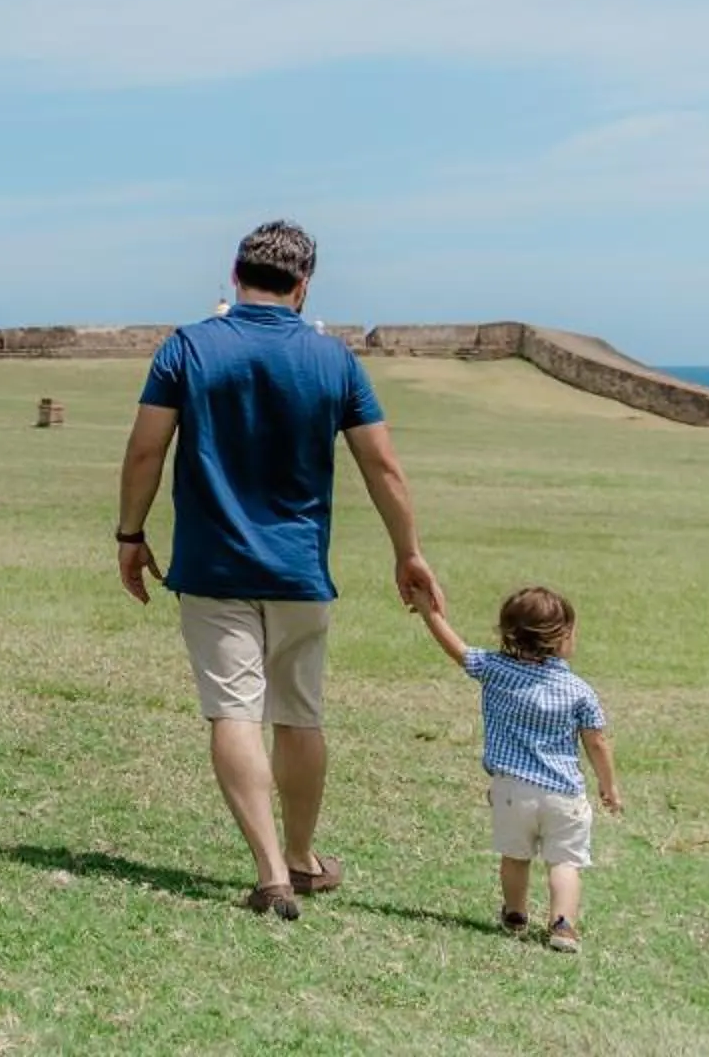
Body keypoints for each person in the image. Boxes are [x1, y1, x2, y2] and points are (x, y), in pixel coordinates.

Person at [115, 220, 442, 918]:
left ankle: (270, 872)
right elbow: (382, 464)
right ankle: (301, 855)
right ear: (303, 286)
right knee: (299, 714)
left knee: (232, 710)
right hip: (300, 572)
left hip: (213, 567)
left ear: (235, 277)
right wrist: (407, 551)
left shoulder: (188, 347)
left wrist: (130, 533)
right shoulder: (335, 361)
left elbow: (146, 450)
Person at [415, 585, 620, 953]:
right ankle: (563, 925)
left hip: (512, 791)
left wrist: (429, 613)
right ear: (560, 639)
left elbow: (457, 650)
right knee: (564, 863)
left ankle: (514, 913)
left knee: (515, 858)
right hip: (564, 797)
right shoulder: (579, 690)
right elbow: (596, 742)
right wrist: (609, 786)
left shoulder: (494, 669)